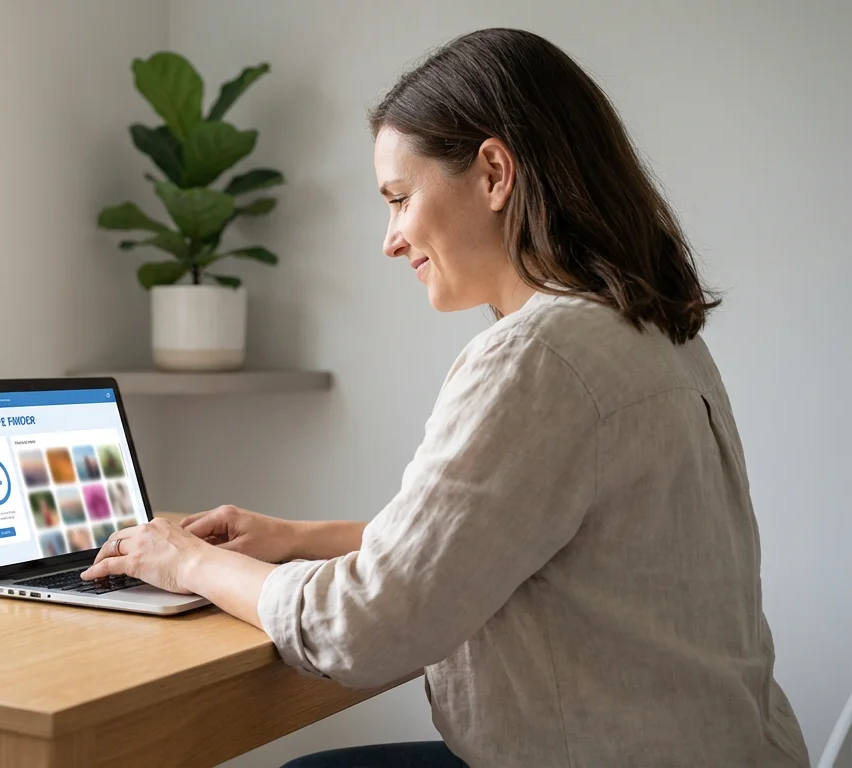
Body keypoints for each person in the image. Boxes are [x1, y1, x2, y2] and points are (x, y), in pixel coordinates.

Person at [81, 27, 811, 767]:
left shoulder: (539, 356)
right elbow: (499, 539)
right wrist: (296, 537)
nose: (391, 240)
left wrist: (187, 564)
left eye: (399, 198)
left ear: (494, 172)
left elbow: (361, 630)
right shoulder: (648, 327)